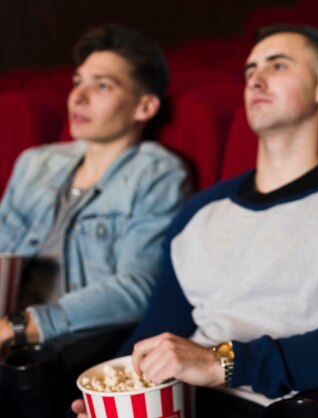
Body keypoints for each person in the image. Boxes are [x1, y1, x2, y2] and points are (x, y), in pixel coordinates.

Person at [70, 24, 318, 418]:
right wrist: (107, 397)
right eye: (249, 72)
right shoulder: (197, 212)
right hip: (178, 398)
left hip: (280, 403)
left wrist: (222, 363)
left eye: (278, 66)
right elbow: (158, 328)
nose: (256, 81)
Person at [0, 25, 188, 349]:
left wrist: (21, 326)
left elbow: (136, 289)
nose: (78, 97)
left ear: (145, 107)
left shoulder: (157, 174)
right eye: (77, 82)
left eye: (101, 86)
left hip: (60, 347)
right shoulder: (35, 162)